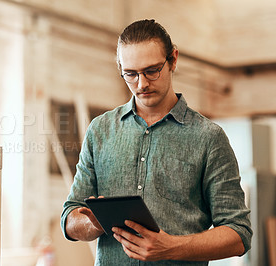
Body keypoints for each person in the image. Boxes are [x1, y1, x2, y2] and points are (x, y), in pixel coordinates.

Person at [60, 19, 252, 265]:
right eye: (130, 74)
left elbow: (239, 233)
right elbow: (70, 217)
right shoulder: (100, 131)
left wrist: (171, 248)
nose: (141, 83)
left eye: (152, 70)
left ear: (173, 59)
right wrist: (93, 222)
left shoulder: (208, 138)